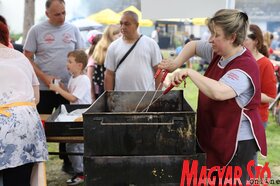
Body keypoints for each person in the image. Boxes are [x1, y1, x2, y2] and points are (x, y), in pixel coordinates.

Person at [159, 9, 267, 185]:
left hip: (237, 143)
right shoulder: (220, 53)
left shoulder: (244, 66)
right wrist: (176, 63)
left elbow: (219, 92)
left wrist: (190, 72)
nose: (210, 39)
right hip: (216, 134)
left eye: (216, 35)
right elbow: (193, 45)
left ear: (232, 37)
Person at [23, 0, 85, 174]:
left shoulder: (73, 29)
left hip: (66, 89)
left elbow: (81, 56)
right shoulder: (36, 30)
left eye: (64, 12)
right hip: (42, 88)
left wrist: (78, 79)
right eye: (57, 14)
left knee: (68, 127)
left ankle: (69, 163)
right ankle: (33, 161)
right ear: (47, 13)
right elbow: (27, 57)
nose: (62, 17)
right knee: (38, 125)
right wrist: (45, 77)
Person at [0, 22, 48, 186]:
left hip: (5, 122)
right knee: (19, 180)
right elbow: (36, 97)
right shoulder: (20, 56)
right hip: (27, 123)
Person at [49, 50, 91, 185]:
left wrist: (59, 89)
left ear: (79, 65)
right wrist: (62, 87)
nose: (67, 64)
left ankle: (81, 172)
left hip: (81, 116)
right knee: (72, 146)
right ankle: (80, 171)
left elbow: (73, 98)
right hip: (75, 115)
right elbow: (71, 94)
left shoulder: (84, 79)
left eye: (70, 61)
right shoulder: (74, 78)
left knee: (75, 147)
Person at [104, 11, 162, 91]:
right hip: (121, 99)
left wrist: (157, 96)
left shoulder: (151, 44)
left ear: (137, 25)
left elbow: (158, 71)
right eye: (121, 23)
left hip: (146, 98)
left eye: (127, 24)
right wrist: (109, 98)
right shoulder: (113, 46)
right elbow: (109, 74)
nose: (123, 27)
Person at [243, 24, 277, 128]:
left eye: (244, 39)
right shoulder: (239, 60)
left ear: (256, 41)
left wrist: (242, 94)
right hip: (237, 116)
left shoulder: (265, 64)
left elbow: (271, 97)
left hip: (256, 119)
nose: (240, 42)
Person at [87, 24, 121, 100]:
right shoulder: (111, 50)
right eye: (119, 35)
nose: (121, 38)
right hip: (112, 86)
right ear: (111, 35)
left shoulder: (100, 50)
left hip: (102, 87)